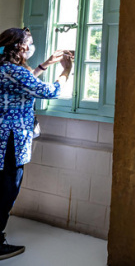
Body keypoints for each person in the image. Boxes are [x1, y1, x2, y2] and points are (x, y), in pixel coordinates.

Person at [0, 28, 73, 260]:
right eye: (29, 43)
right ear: (20, 47)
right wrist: (66, 71)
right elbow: (49, 91)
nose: (31, 47)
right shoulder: (14, 71)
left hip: (3, 137)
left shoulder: (5, 68)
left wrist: (44, 65)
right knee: (8, 189)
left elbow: (21, 83)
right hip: (10, 140)